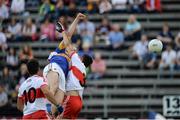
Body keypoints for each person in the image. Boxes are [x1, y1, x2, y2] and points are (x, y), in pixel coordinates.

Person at [43, 13, 87, 116]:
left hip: (62, 75)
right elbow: (68, 36)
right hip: (55, 66)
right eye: (72, 47)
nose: (73, 48)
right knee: (53, 88)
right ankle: (43, 110)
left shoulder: (74, 63)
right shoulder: (61, 49)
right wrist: (76, 19)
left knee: (58, 105)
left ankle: (52, 116)